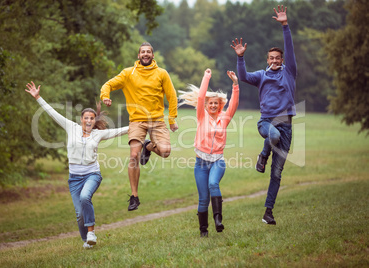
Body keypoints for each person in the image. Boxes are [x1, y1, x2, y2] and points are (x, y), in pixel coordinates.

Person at [25, 81, 129, 249]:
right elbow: (52, 113)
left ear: (95, 121)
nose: (89, 120)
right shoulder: (70, 127)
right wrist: (38, 97)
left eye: (92, 118)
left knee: (85, 197)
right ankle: (86, 241)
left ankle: (91, 233)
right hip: (74, 178)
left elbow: (120, 131)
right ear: (81, 119)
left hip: (92, 174)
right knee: (79, 214)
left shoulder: (98, 134)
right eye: (86, 118)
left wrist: (140, 125)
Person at [230, 5, 297, 225]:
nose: (275, 61)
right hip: (266, 123)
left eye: (278, 58)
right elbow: (243, 76)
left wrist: (285, 26)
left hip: (286, 126)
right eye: (271, 58)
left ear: (282, 60)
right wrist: (241, 58)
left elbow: (289, 47)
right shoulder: (261, 75)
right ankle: (263, 155)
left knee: (277, 174)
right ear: (267, 60)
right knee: (273, 136)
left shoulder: (289, 72)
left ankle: (268, 212)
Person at [100, 42, 178, 211]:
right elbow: (108, 85)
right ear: (138, 55)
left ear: (153, 55)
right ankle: (134, 197)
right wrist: (105, 96)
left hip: (157, 120)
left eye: (148, 52)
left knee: (165, 152)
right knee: (134, 155)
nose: (145, 54)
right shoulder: (129, 73)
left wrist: (172, 119)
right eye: (142, 52)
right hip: (137, 120)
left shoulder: (161, 73)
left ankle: (148, 147)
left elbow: (172, 96)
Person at [178, 68, 239, 237]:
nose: (213, 105)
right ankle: (203, 230)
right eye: (210, 103)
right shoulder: (201, 116)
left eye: (216, 103)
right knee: (203, 198)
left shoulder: (224, 119)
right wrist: (206, 76)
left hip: (217, 161)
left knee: (214, 184)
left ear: (220, 105)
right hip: (201, 163)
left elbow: (233, 104)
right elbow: (200, 96)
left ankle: (218, 220)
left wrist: (235, 84)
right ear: (206, 105)